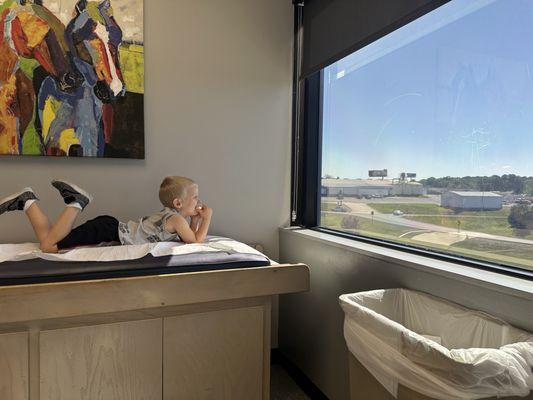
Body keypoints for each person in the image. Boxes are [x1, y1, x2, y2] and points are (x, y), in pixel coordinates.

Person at [0, 176, 213, 253]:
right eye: (195, 198)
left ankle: (27, 202)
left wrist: (195, 220)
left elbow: (190, 239)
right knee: (49, 247)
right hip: (107, 231)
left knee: (49, 242)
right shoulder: (176, 219)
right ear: (178, 203)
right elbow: (195, 241)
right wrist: (207, 218)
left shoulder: (173, 217)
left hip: (108, 227)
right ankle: (77, 202)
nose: (198, 202)